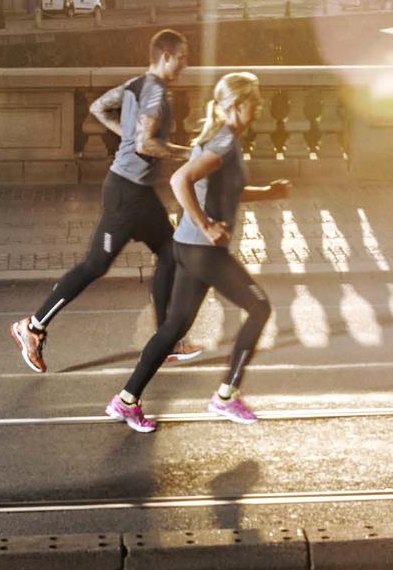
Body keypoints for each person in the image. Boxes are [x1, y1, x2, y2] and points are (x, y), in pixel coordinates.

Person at [105, 71, 291, 432]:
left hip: (187, 248)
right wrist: (207, 224)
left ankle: (126, 400)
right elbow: (180, 181)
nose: (260, 107)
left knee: (174, 326)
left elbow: (224, 192)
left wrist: (268, 192)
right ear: (237, 106)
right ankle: (226, 397)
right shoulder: (222, 144)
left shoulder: (220, 139)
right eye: (255, 101)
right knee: (259, 307)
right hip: (204, 251)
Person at [10, 28, 199, 372]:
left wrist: (126, 136)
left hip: (135, 190)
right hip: (127, 193)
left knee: (171, 254)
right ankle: (33, 327)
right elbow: (145, 145)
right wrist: (190, 153)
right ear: (167, 56)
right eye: (183, 58)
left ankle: (166, 341)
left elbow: (99, 107)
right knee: (95, 266)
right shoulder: (155, 92)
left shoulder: (135, 84)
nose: (185, 65)